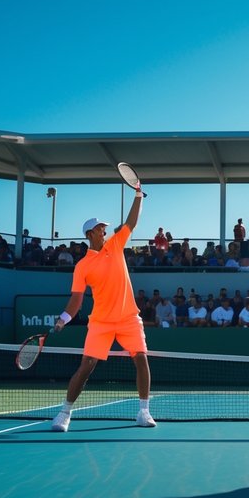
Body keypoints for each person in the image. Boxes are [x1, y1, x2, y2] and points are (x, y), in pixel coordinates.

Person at [49, 185, 155, 432]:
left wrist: (138, 195)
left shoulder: (115, 245)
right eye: (100, 228)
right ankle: (64, 413)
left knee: (141, 358)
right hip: (101, 322)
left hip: (129, 318)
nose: (104, 231)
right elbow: (76, 300)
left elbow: (131, 222)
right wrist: (63, 318)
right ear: (90, 234)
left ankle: (144, 412)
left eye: (104, 228)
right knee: (86, 366)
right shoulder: (82, 266)